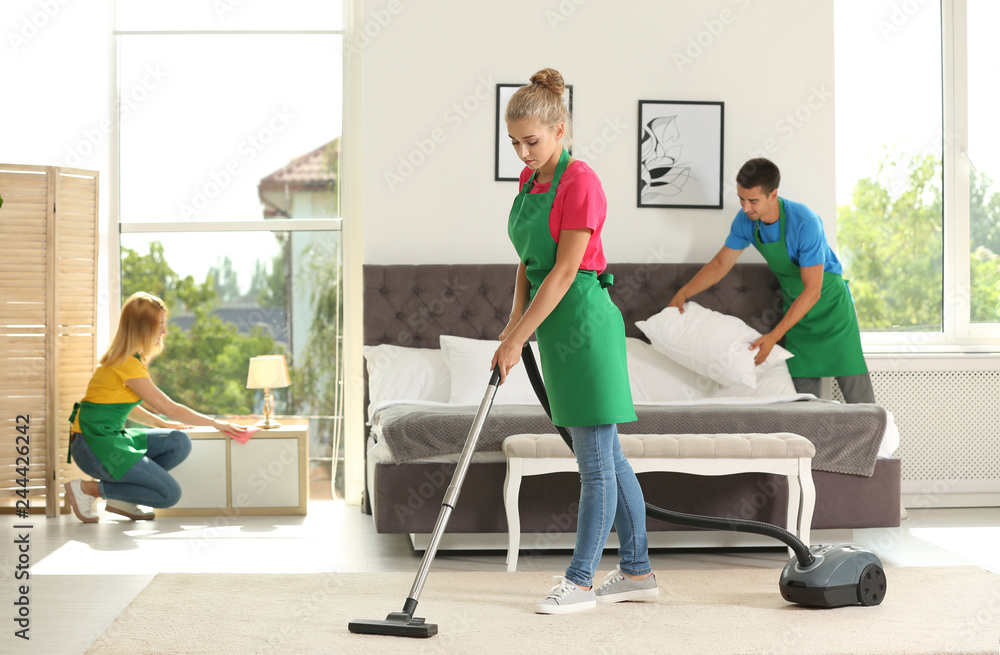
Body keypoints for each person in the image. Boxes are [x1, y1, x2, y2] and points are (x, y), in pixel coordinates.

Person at [491, 68, 658, 615]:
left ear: (560, 129)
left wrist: (520, 338)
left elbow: (563, 272)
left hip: (582, 321)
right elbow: (527, 264)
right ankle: (637, 572)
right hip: (551, 322)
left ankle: (581, 581)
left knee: (594, 464)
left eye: (531, 141)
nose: (521, 152)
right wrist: (511, 327)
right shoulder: (529, 181)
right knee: (610, 458)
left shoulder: (580, 180)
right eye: (514, 142)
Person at [669, 157, 875, 403]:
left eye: (753, 201)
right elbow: (720, 264)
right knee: (803, 402)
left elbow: (812, 291)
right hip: (797, 316)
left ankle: (878, 441)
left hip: (831, 309)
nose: (746, 208)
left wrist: (773, 336)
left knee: (859, 398)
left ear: (773, 194)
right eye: (741, 199)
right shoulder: (746, 221)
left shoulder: (805, 222)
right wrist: (683, 293)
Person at [64, 291, 248, 523]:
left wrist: (162, 424)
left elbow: (124, 407)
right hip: (93, 447)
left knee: (178, 441)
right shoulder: (126, 364)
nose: (164, 331)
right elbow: (170, 407)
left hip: (108, 438)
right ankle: (89, 490)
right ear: (142, 327)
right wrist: (216, 423)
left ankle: (122, 498)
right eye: (159, 325)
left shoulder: (128, 360)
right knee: (169, 494)